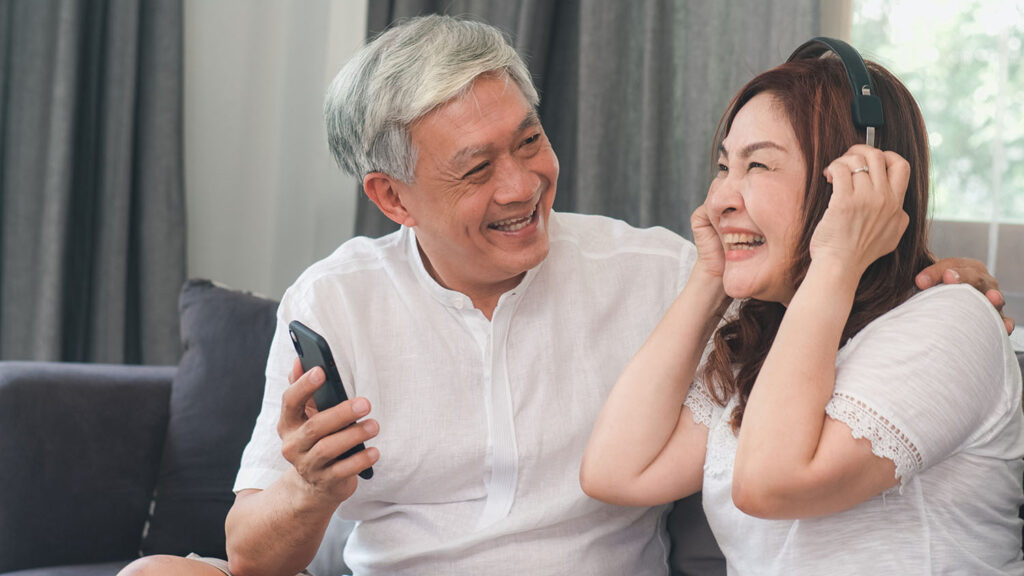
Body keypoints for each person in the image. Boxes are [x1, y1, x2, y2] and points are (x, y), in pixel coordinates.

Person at [120, 16, 1011, 576]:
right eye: (475, 169)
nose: (521, 185)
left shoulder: (664, 274)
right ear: (393, 198)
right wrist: (313, 491)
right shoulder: (336, 300)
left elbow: (788, 448)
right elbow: (617, 470)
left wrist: (904, 271)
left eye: (530, 140)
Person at [580, 45, 1024, 574]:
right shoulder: (763, 342)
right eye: (724, 166)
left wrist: (837, 259)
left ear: (862, 183)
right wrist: (711, 280)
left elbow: (770, 484)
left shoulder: (951, 323)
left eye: (758, 164)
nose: (718, 197)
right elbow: (615, 472)